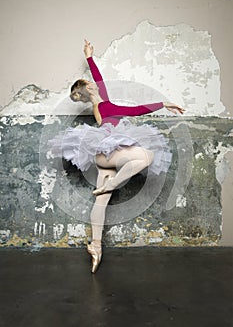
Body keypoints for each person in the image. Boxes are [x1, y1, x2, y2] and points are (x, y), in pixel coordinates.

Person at [48, 39, 185, 273]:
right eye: (92, 83)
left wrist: (90, 56)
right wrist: (163, 102)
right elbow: (134, 110)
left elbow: (112, 92)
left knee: (101, 202)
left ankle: (96, 247)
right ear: (89, 89)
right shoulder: (104, 105)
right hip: (106, 151)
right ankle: (107, 186)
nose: (96, 83)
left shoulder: (102, 104)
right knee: (146, 157)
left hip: (106, 155)